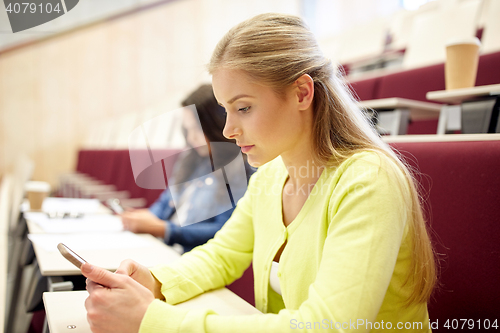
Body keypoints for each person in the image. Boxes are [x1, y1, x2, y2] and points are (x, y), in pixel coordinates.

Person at [82, 13, 437, 333]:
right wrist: (154, 281)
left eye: (244, 108)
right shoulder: (271, 175)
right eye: (226, 110)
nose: (228, 130)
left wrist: (153, 321)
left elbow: (327, 326)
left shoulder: (368, 181)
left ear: (301, 93)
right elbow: (221, 256)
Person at [121, 84, 253, 252]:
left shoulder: (240, 169)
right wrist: (144, 218)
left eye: (196, 129)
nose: (191, 138)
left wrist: (162, 229)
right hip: (163, 248)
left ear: (216, 125)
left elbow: (224, 231)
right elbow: (165, 201)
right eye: (187, 129)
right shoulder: (190, 159)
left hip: (189, 256)